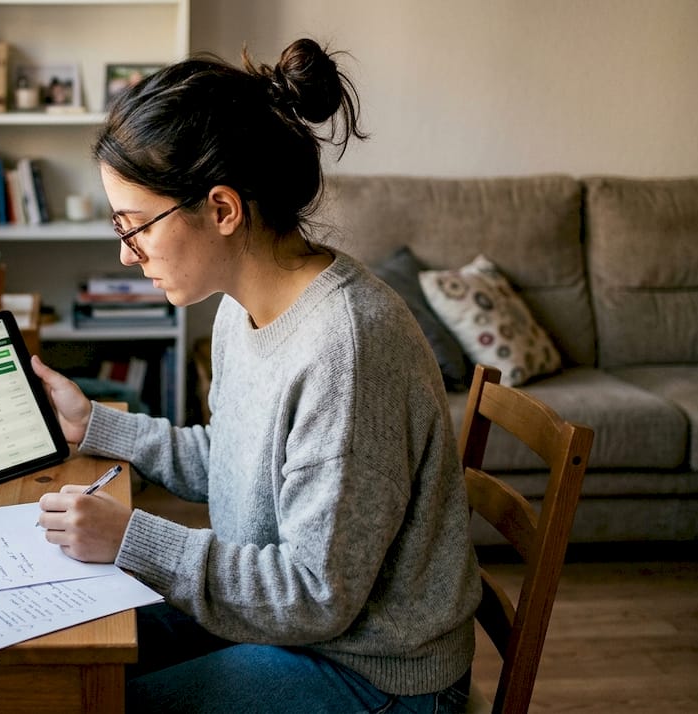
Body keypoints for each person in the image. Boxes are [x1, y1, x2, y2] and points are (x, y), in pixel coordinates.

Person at [32, 37, 481, 714]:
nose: (126, 256)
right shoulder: (246, 309)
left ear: (221, 210)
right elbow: (234, 459)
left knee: (98, 700)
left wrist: (132, 538)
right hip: (294, 622)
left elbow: (314, 595)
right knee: (62, 659)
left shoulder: (345, 350)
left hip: (375, 671)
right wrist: (94, 426)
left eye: (136, 228)